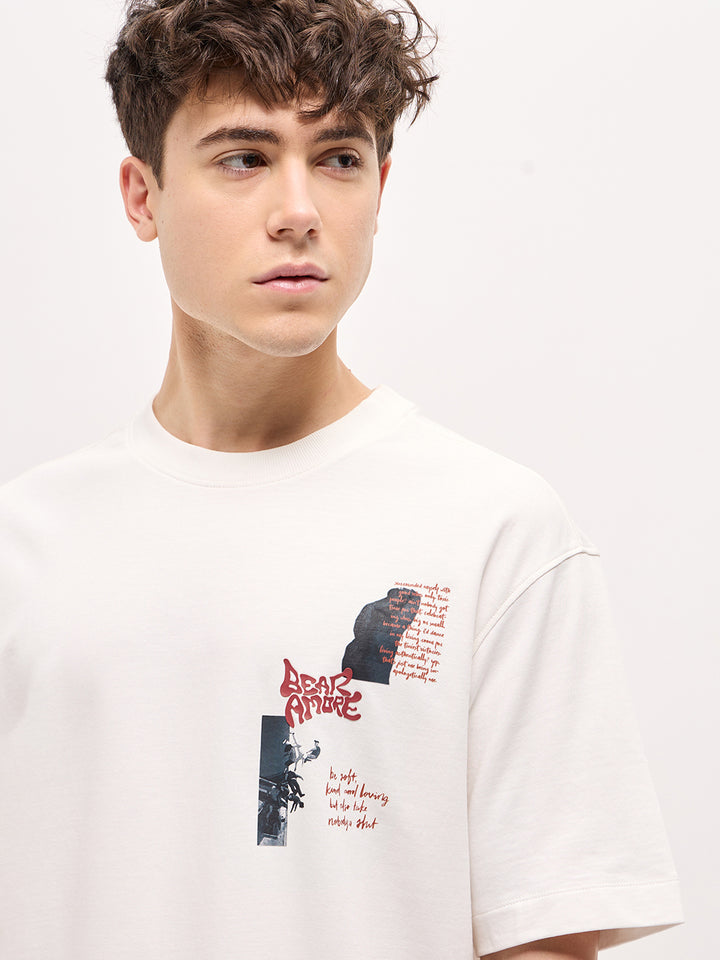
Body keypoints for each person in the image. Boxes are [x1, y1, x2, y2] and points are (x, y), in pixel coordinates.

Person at [0, 1, 683, 958]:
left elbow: (545, 939)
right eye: (245, 158)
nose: (299, 212)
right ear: (142, 196)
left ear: (380, 187)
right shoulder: (27, 543)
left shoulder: (492, 532)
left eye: (338, 158)